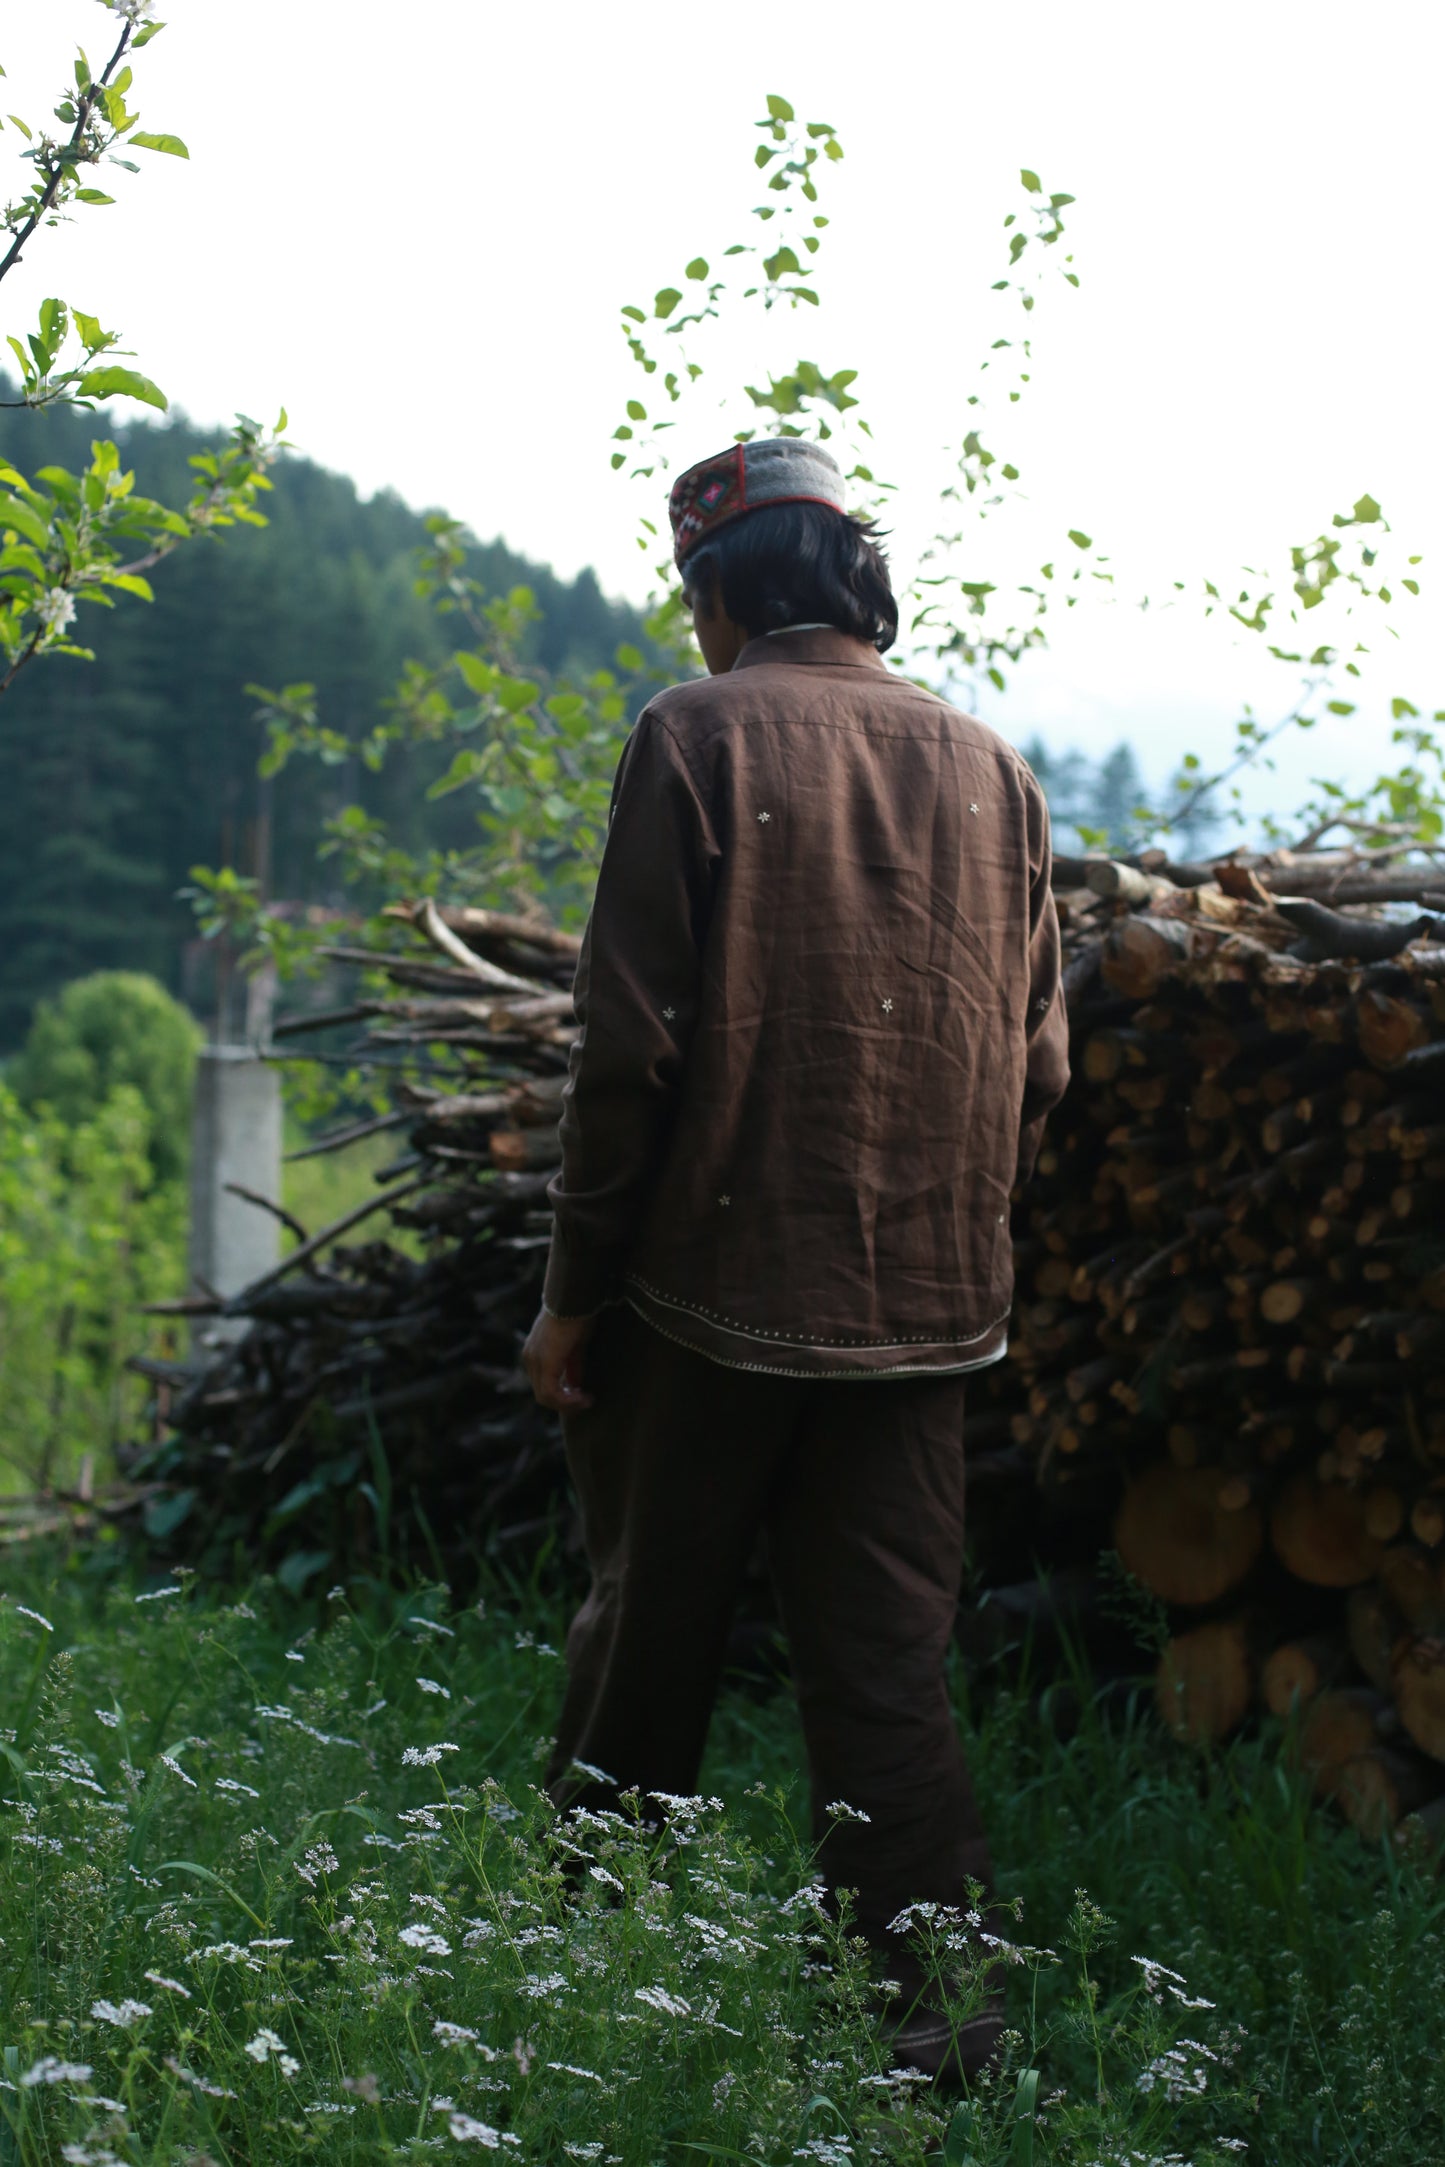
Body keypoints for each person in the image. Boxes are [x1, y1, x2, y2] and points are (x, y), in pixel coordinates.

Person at [522, 436, 1069, 2078]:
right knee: (889, 1684)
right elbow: (1037, 1070)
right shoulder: (993, 769)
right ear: (852, 578)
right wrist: (937, 1231)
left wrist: (569, 1300)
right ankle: (941, 2043)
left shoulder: (692, 732)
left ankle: (584, 2001)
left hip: (702, 1302)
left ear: (721, 591)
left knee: (647, 1652)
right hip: (926, 1315)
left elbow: (631, 1053)